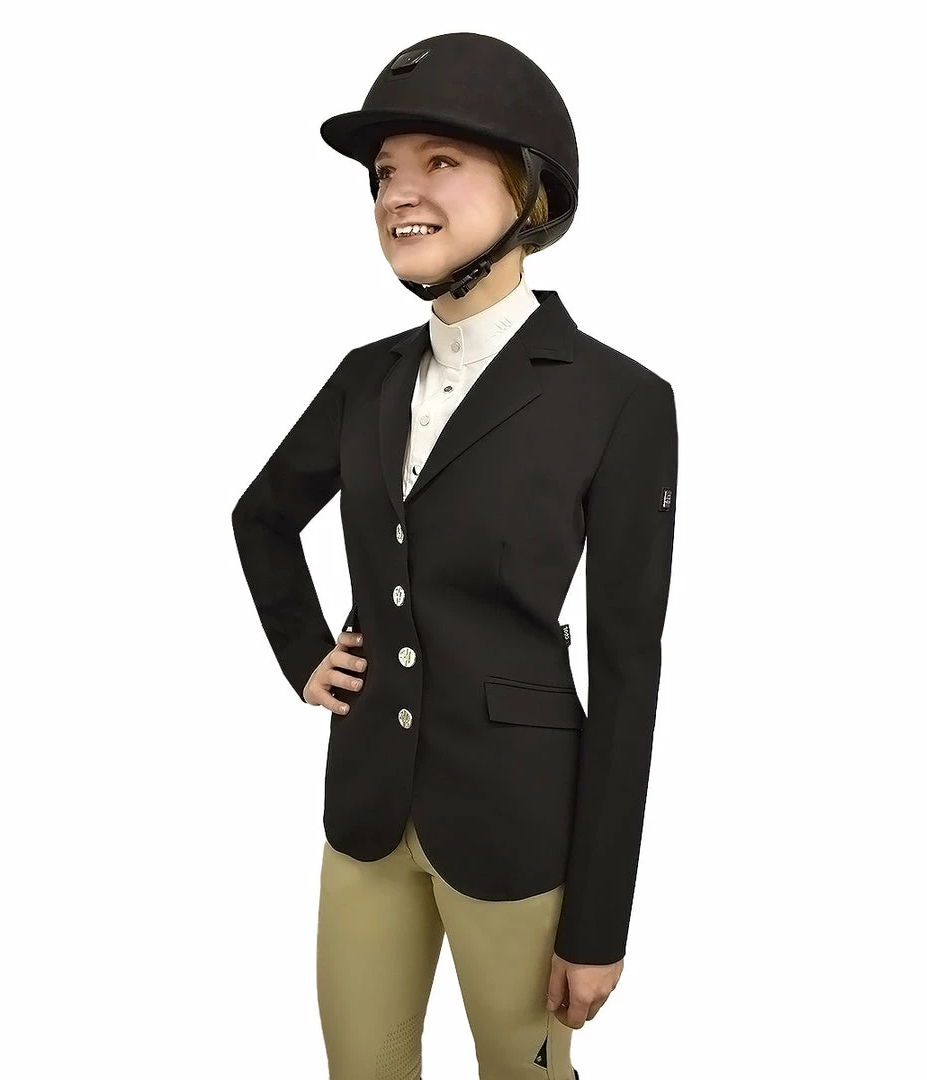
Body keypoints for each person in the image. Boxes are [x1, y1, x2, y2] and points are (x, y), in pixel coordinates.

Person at [231, 31, 678, 1080]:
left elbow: (628, 670)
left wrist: (599, 921)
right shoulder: (366, 376)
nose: (399, 192)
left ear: (528, 191)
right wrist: (305, 655)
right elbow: (261, 517)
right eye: (385, 172)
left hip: (517, 826)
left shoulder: (619, 400)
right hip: (366, 818)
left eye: (440, 162)